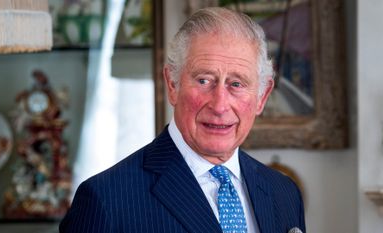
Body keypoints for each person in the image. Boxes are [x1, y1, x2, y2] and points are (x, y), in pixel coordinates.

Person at [59, 7, 306, 233]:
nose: (219, 105)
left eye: (236, 84)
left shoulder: (284, 193)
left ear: (262, 96)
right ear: (172, 84)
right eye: (203, 80)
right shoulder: (105, 200)